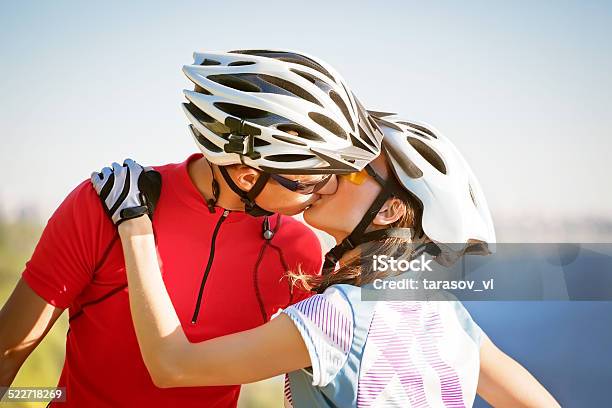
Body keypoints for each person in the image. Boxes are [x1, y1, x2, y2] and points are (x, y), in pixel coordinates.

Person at [0, 50, 382, 407]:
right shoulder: (104, 204)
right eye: (310, 181)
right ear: (249, 177)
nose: (326, 189)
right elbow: (8, 352)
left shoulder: (297, 250)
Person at [97, 113, 560, 407]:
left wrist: (135, 223)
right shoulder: (445, 315)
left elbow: (173, 366)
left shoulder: (336, 317)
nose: (329, 171)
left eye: (355, 168)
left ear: (390, 210)